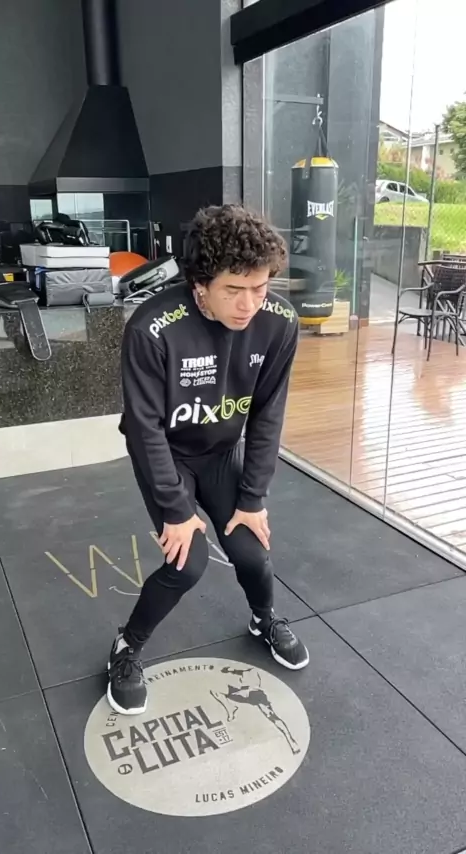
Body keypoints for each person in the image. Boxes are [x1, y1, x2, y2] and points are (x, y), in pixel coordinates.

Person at [107, 204, 309, 716]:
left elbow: (267, 414)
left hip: (220, 453)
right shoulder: (153, 328)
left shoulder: (279, 322)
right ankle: (127, 646)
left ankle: (263, 620)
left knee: (251, 553)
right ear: (200, 283)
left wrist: (253, 497)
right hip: (167, 455)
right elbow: (144, 428)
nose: (249, 304)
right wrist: (177, 510)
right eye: (234, 289)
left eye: (260, 288)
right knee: (188, 562)